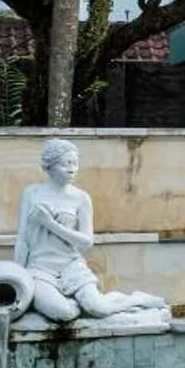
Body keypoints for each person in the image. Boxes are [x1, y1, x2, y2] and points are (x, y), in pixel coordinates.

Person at [14, 138, 170, 326]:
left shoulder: (80, 198)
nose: (72, 169)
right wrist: (18, 278)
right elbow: (22, 239)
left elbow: (86, 242)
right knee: (65, 313)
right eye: (66, 164)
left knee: (98, 309)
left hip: (71, 267)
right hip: (40, 269)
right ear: (49, 167)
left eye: (75, 163)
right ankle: (75, 303)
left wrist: (50, 224)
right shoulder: (31, 193)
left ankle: (137, 300)